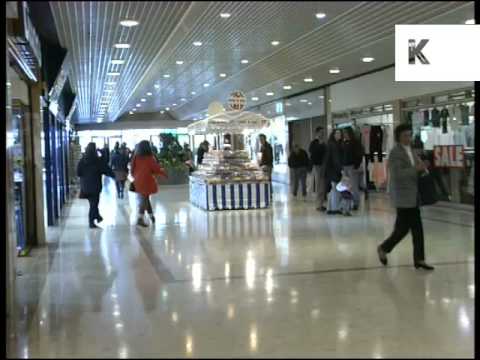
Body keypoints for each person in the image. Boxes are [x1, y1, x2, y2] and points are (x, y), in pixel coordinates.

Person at [377, 124, 434, 271]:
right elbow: (397, 174)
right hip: (403, 196)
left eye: (410, 135)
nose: (408, 138)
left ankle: (419, 259)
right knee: (403, 229)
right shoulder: (396, 153)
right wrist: (416, 169)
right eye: (405, 136)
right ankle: (384, 248)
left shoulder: (412, 151)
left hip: (413, 195)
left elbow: (415, 170)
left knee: (416, 229)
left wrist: (422, 168)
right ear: (398, 137)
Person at [77, 143, 115, 228]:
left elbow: (78, 173)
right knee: (94, 205)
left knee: (93, 204)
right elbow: (106, 170)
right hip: (95, 187)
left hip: (85, 187)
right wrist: (113, 175)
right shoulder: (97, 161)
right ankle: (91, 222)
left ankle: (98, 217)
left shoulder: (82, 160)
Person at [131, 140, 168, 227]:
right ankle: (140, 218)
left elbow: (132, 169)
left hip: (138, 180)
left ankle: (151, 216)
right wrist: (164, 174)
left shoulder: (136, 157)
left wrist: (135, 177)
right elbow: (156, 169)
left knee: (145, 198)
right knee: (144, 198)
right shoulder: (150, 157)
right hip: (147, 180)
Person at [342, 127, 364, 210]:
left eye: (345, 133)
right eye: (343, 133)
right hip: (345, 166)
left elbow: (359, 154)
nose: (344, 134)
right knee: (346, 186)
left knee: (354, 186)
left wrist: (356, 165)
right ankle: (348, 203)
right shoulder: (344, 142)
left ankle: (356, 203)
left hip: (352, 166)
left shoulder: (355, 142)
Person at [324, 129, 344, 215]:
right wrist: (340, 169)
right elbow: (336, 159)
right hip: (333, 170)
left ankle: (330, 207)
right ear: (334, 135)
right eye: (337, 133)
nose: (339, 135)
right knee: (336, 189)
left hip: (330, 170)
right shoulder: (334, 145)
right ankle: (334, 208)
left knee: (333, 189)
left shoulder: (332, 144)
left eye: (340, 133)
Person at [309, 126, 327, 211]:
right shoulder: (314, 143)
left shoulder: (324, 143)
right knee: (319, 185)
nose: (322, 134)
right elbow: (313, 154)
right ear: (317, 133)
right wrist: (320, 145)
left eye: (323, 132)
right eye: (320, 132)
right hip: (317, 166)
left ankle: (322, 203)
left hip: (324, 166)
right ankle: (318, 204)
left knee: (323, 185)